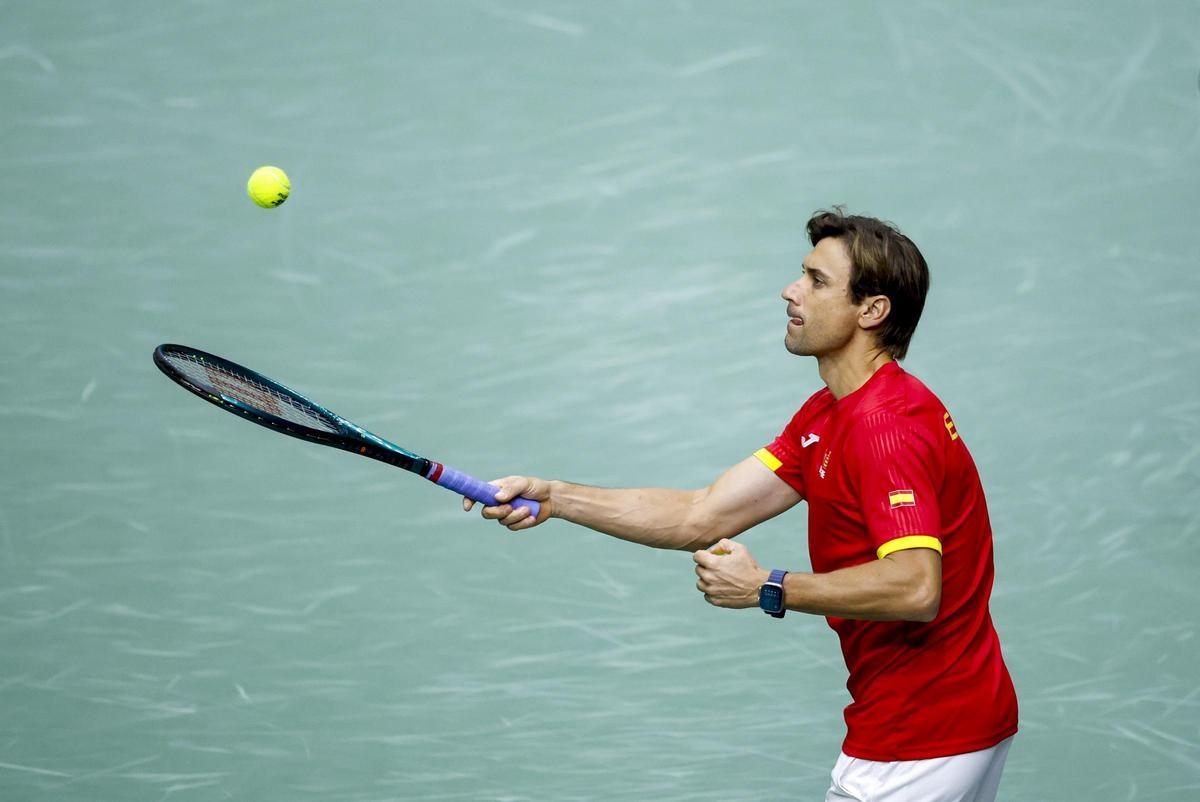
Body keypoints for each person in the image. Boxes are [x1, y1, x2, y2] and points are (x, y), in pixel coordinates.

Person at [462, 208, 1019, 801]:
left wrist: (768, 587)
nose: (790, 290)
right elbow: (700, 514)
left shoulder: (884, 429)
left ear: (872, 310)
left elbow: (914, 588)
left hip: (921, 738)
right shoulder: (827, 417)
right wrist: (557, 496)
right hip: (951, 715)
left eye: (817, 280)